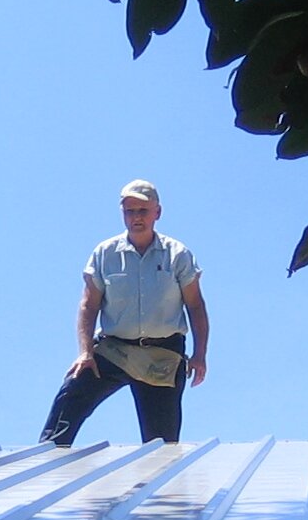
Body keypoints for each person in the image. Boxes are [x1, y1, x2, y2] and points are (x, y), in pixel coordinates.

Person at [39, 180, 209, 446]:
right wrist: (85, 352)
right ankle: (46, 457)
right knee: (72, 393)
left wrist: (199, 355)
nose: (136, 217)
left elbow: (196, 305)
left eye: (143, 211)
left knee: (161, 445)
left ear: (157, 212)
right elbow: (88, 306)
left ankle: (159, 472)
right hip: (114, 350)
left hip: (161, 355)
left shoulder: (177, 254)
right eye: (130, 211)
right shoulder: (105, 253)